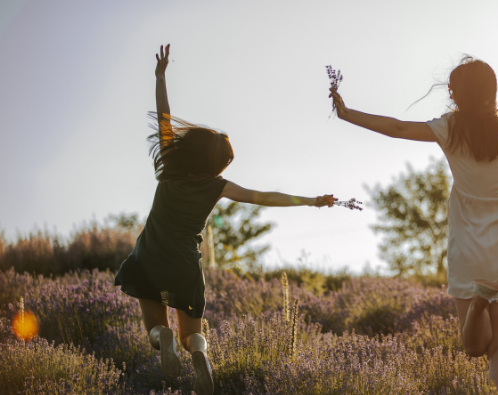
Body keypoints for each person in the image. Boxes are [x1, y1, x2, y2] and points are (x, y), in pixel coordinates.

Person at [328, 11, 498, 394]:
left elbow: (396, 129)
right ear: (494, 93)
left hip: (469, 253)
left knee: (472, 348)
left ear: (454, 95)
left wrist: (347, 114)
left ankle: (479, 304)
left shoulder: (450, 131)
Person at [114, 44, 336, 395]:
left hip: (151, 256)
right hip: (185, 264)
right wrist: (311, 201)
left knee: (155, 330)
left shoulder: (171, 169)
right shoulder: (217, 186)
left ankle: (163, 338)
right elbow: (263, 197)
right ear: (217, 165)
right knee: (193, 334)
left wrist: (160, 76)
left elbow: (164, 117)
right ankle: (198, 354)